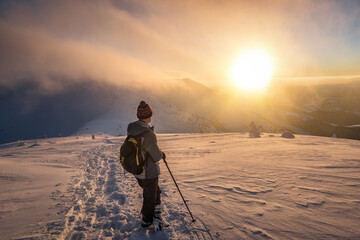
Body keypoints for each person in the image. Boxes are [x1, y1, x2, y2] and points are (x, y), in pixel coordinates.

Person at [126, 100, 165, 227]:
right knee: (150, 196)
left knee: (153, 191)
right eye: (150, 115)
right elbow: (155, 155)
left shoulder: (133, 129)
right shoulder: (148, 134)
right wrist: (162, 154)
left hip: (138, 171)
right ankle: (147, 220)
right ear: (147, 116)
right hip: (148, 172)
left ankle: (154, 210)